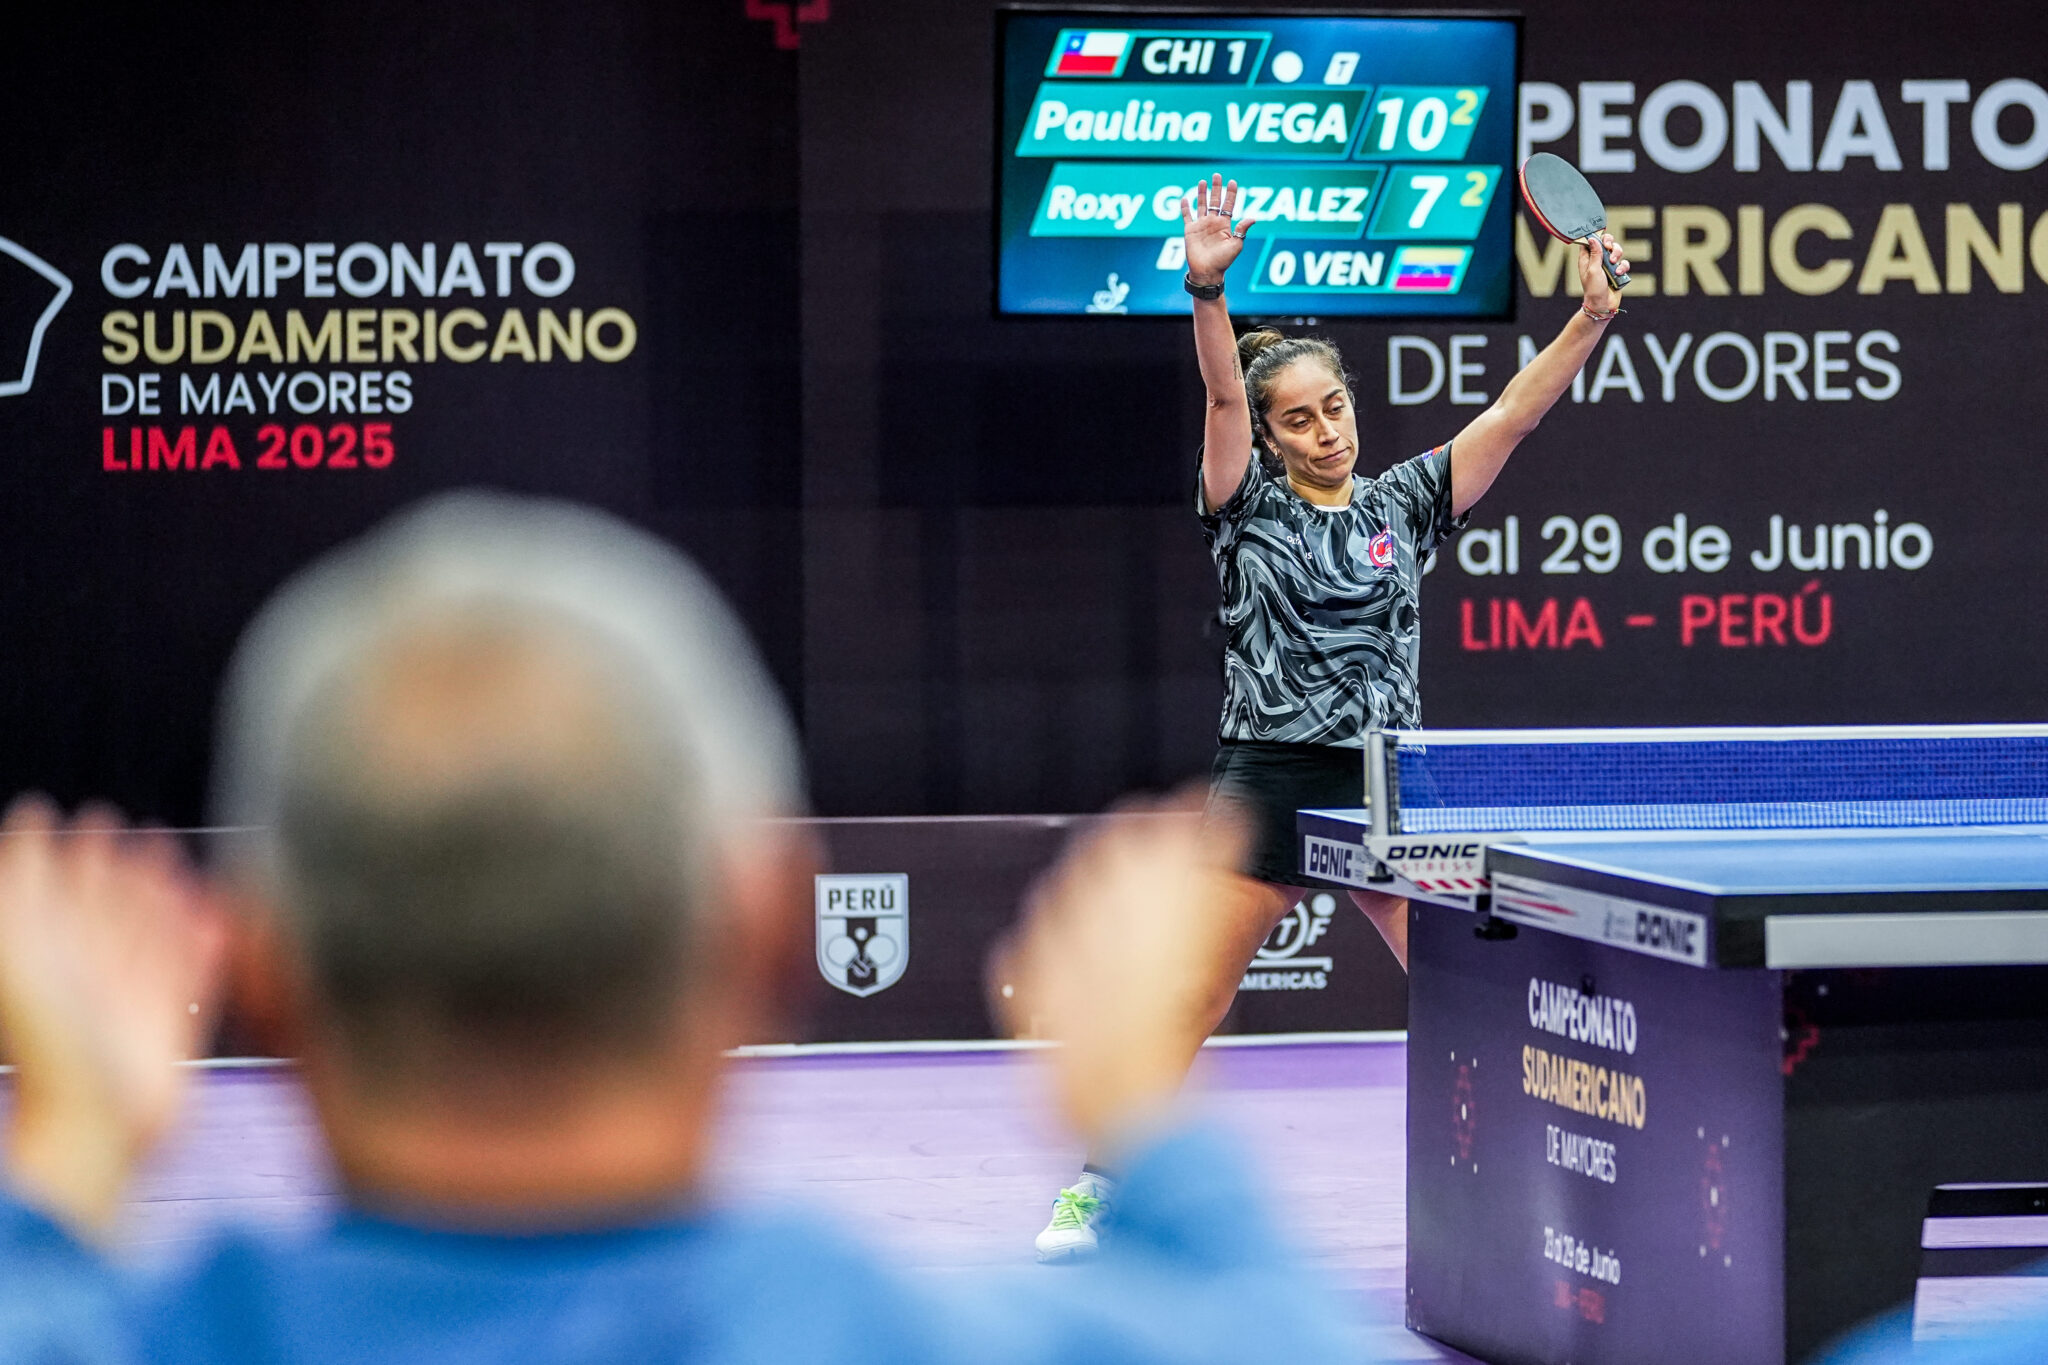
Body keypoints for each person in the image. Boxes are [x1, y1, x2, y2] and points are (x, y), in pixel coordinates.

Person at [0, 493, 1357, 1363]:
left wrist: (63, 1155)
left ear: (257, 970)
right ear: (768, 931)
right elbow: (1282, 1333)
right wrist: (1141, 1114)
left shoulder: (91, 1333)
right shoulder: (910, 1336)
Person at [1034, 173, 1632, 1262]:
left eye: (1334, 409)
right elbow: (1221, 400)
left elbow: (1513, 413)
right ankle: (1098, 1189)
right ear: (1268, 438)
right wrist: (1206, 294)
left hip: (1387, 786)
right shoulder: (1243, 506)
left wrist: (1590, 317)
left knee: (1465, 996)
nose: (1324, 433)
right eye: (1298, 420)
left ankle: (1541, 1193)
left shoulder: (1406, 501)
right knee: (1186, 998)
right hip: (1268, 778)